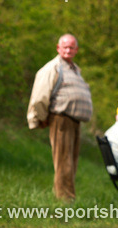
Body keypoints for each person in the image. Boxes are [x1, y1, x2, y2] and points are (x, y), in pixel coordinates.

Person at [27, 34, 93, 201]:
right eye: (65, 47)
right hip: (61, 119)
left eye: (71, 47)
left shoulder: (74, 69)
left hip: (74, 120)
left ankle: (68, 198)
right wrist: (40, 117)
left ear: (76, 50)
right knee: (64, 162)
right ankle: (64, 201)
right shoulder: (53, 68)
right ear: (58, 48)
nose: (68, 50)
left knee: (71, 161)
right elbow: (40, 96)